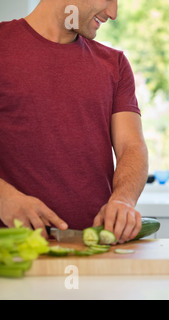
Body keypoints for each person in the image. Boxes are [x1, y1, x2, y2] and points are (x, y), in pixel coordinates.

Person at [0, 0, 149, 243]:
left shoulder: (114, 64)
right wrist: (3, 198)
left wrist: (123, 199)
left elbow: (131, 147)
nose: (113, 13)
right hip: (11, 254)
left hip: (94, 248)